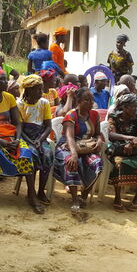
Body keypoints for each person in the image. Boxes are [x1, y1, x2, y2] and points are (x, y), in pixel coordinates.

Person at [0, 67, 40, 212]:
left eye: (6, 78)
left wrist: (16, 139)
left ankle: (31, 194)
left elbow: (17, 123)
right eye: (2, 79)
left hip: (10, 136)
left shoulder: (9, 98)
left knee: (26, 152)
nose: (6, 82)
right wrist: (1, 142)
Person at [54, 87, 104, 217]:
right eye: (87, 100)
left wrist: (99, 141)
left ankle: (84, 195)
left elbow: (98, 133)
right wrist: (74, 154)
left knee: (97, 163)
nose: (90, 102)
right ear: (78, 102)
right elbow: (69, 137)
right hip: (68, 145)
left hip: (86, 145)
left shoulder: (94, 115)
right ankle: (75, 199)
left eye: (91, 100)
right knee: (71, 162)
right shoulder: (71, 115)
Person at [106, 93, 137, 212]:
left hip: (134, 147)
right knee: (119, 163)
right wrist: (130, 138)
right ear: (124, 107)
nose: (135, 109)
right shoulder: (114, 116)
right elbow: (111, 134)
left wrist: (133, 142)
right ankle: (117, 197)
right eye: (132, 106)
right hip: (118, 147)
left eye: (136, 106)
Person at [18, 74, 53, 205]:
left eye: (41, 89)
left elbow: (48, 127)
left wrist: (40, 139)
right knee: (31, 155)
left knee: (48, 155)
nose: (41, 92)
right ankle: (30, 191)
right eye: (38, 89)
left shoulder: (44, 103)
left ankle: (41, 190)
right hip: (25, 138)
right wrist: (32, 142)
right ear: (29, 90)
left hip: (40, 136)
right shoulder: (20, 105)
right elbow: (20, 129)